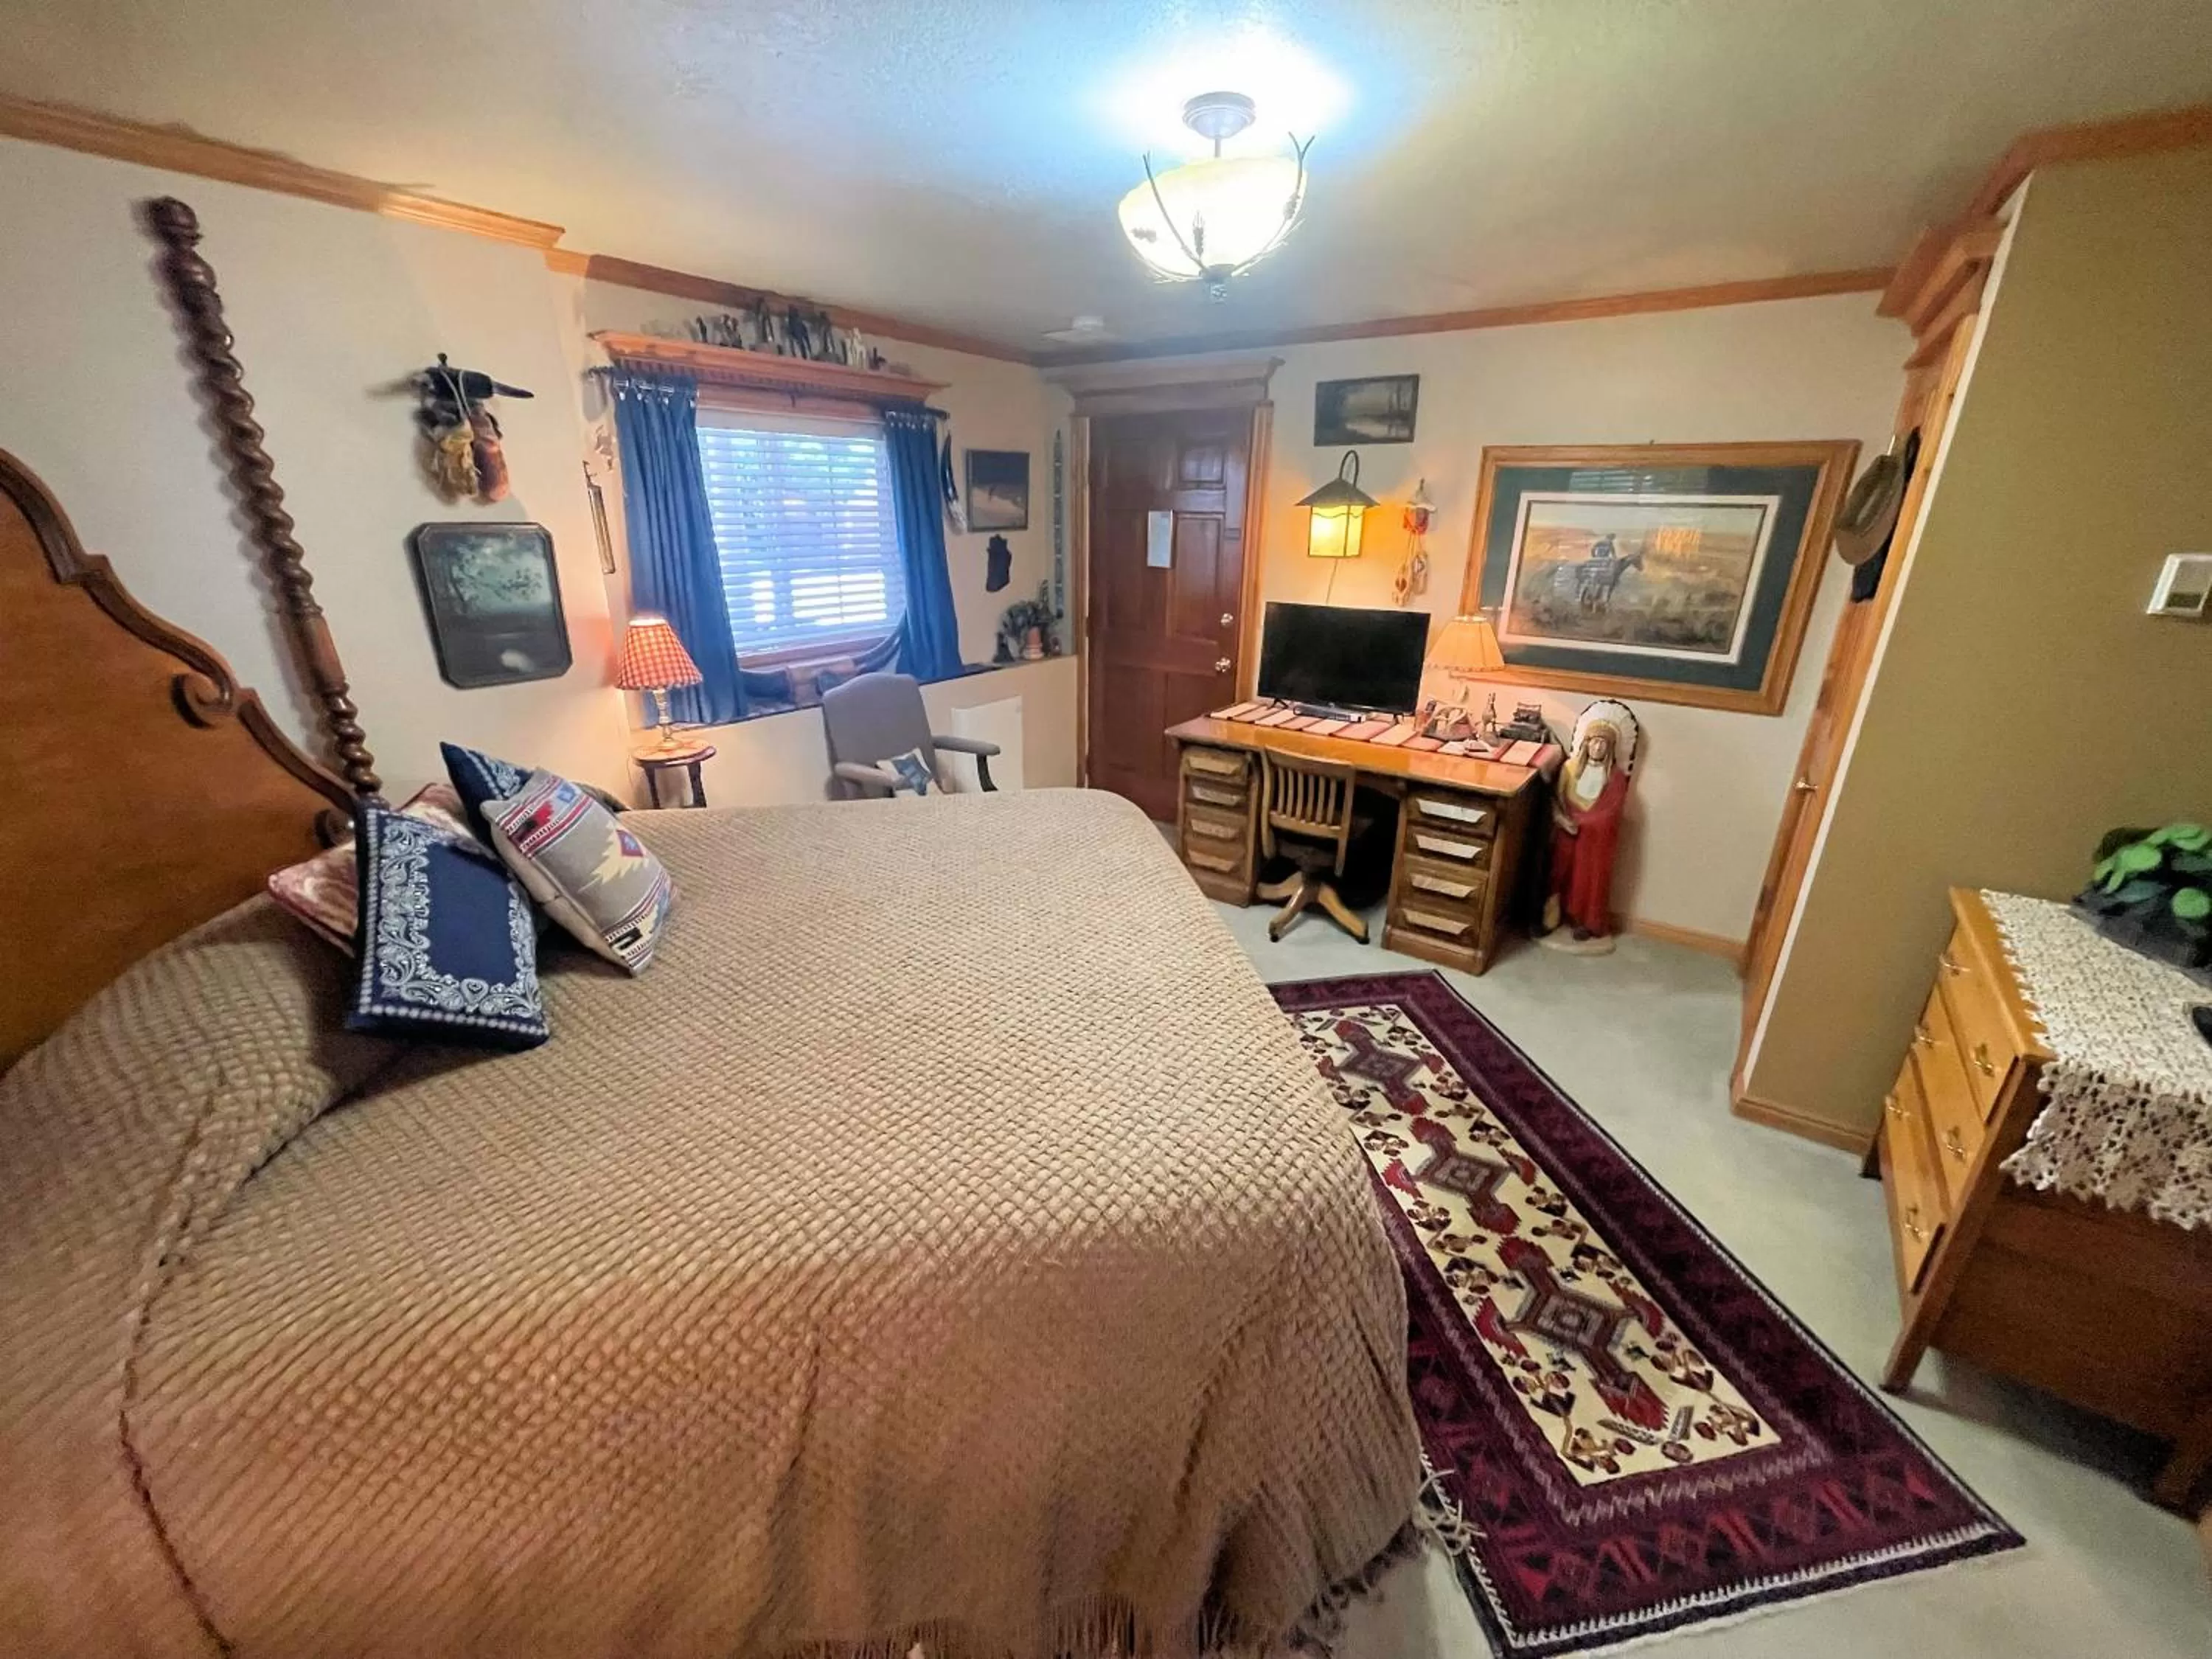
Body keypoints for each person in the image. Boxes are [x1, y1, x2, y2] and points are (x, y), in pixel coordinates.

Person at [1542, 703, 1637, 950]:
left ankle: (1585, 920)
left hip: (1594, 840)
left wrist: (1582, 823)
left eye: (1603, 744)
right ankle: (1552, 915)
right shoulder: (1570, 768)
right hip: (1567, 830)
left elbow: (1610, 811)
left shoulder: (1614, 778)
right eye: (1594, 742)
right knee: (1557, 871)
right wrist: (1563, 819)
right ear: (1585, 743)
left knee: (1588, 877)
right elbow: (1557, 797)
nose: (1597, 747)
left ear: (1610, 749)